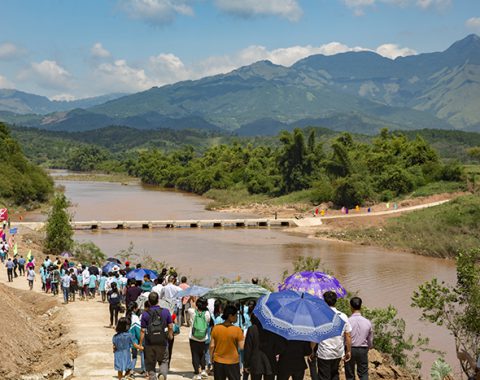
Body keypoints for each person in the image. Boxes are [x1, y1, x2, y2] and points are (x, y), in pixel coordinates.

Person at [314, 291, 352, 380]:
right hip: (338, 352)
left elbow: (315, 336)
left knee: (324, 376)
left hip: (324, 353)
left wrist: (312, 350)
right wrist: (349, 351)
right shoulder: (343, 316)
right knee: (335, 374)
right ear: (336, 301)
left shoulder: (320, 316)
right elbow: (348, 336)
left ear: (324, 302)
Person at [139, 291, 173, 380]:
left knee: (150, 363)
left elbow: (142, 330)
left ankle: (152, 377)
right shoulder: (165, 311)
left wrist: (140, 343)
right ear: (158, 300)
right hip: (162, 341)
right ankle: (162, 374)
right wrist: (170, 335)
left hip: (149, 342)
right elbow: (170, 326)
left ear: (149, 301)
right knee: (164, 360)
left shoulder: (145, 314)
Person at [210, 304, 245, 380]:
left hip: (218, 361)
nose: (237, 317)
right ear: (230, 316)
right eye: (235, 315)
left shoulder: (216, 328)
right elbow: (242, 347)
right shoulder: (237, 330)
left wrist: (211, 357)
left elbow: (212, 346)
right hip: (233, 362)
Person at [345, 297, 373, 380]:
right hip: (362, 349)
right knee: (363, 373)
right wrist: (368, 347)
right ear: (361, 306)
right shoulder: (367, 322)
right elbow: (370, 339)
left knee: (350, 373)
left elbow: (345, 337)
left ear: (351, 307)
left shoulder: (347, 321)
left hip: (349, 349)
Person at [244, 314, 277, 380]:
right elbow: (277, 345)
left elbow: (248, 348)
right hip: (270, 361)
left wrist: (246, 364)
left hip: (255, 363)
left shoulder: (251, 329)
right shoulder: (272, 329)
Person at [188, 297, 211, 379]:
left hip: (193, 337)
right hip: (203, 337)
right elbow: (208, 321)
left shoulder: (192, 312)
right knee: (202, 354)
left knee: (195, 355)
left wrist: (194, 302)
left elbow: (189, 309)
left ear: (197, 304)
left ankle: (197, 373)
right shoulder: (207, 314)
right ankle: (204, 370)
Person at [127, 302, 146, 376]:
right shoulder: (135, 317)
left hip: (128, 340)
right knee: (142, 353)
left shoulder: (125, 315)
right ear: (135, 308)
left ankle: (131, 370)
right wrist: (141, 341)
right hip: (135, 340)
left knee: (133, 356)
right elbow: (138, 331)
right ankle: (143, 369)